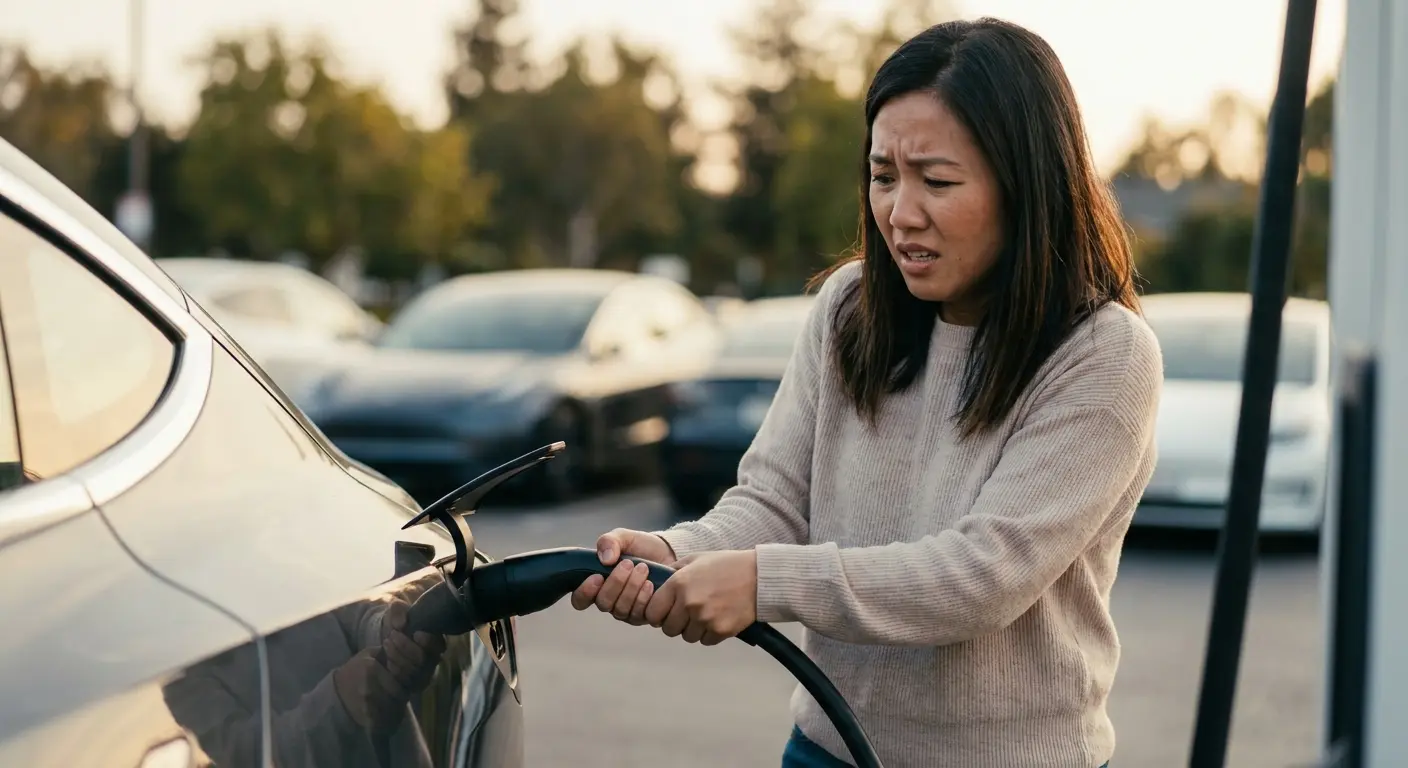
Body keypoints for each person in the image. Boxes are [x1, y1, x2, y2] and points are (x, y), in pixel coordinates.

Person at [571, 16, 1162, 768]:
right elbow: (775, 503)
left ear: (1028, 184)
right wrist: (669, 553)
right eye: (884, 176)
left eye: (937, 181)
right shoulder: (850, 308)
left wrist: (762, 582)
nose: (899, 213)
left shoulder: (1104, 354)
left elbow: (982, 576)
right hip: (824, 751)